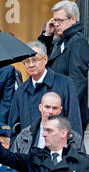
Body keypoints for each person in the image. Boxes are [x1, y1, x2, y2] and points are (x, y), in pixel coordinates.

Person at [7, 41, 82, 138]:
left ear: (45, 59)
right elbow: (13, 127)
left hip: (58, 148)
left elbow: (74, 121)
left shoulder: (65, 84)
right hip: (28, 150)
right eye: (26, 61)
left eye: (34, 60)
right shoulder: (21, 91)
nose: (31, 65)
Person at [38, 0, 89, 133]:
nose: (56, 24)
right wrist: (47, 35)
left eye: (59, 20)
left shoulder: (77, 41)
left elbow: (78, 83)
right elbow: (42, 59)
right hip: (56, 112)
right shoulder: (61, 40)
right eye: (54, 20)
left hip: (68, 116)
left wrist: (63, 112)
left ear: (73, 19)